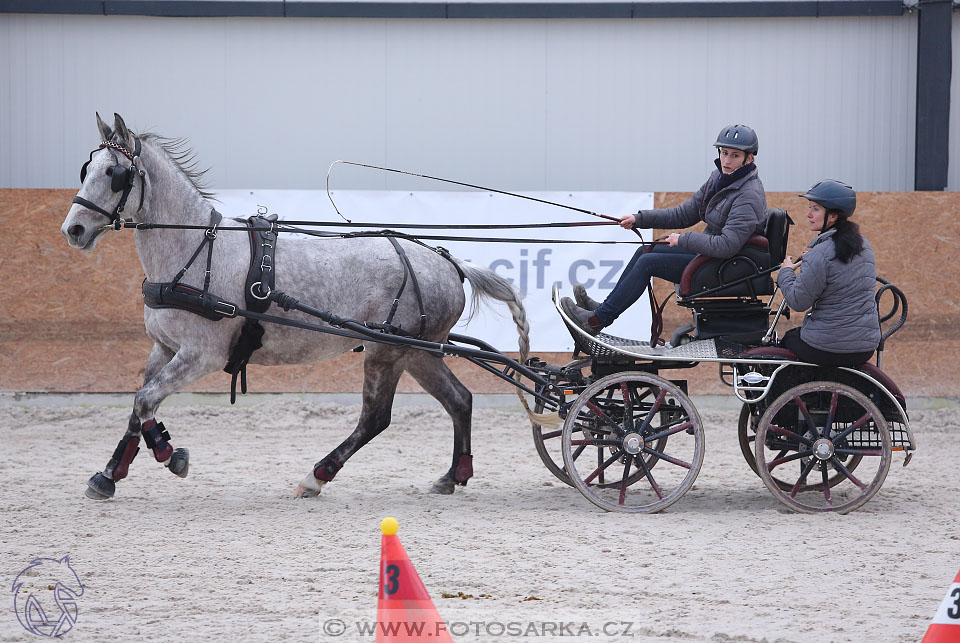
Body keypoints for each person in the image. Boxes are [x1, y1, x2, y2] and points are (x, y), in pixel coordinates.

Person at [562, 124, 768, 336]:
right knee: (645, 251)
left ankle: (597, 320)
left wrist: (684, 240)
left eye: (734, 155)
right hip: (709, 256)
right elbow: (684, 214)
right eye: (724, 153)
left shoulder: (748, 195)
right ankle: (602, 309)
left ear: (749, 158)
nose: (726, 161)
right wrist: (639, 219)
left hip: (724, 266)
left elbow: (727, 245)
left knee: (647, 263)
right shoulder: (719, 179)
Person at [776, 180, 880, 366]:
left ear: (832, 216)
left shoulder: (821, 253)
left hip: (830, 346)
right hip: (865, 345)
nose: (808, 214)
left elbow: (798, 302)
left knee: (788, 340)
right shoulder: (864, 244)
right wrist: (813, 260)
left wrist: (785, 273)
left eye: (815, 209)